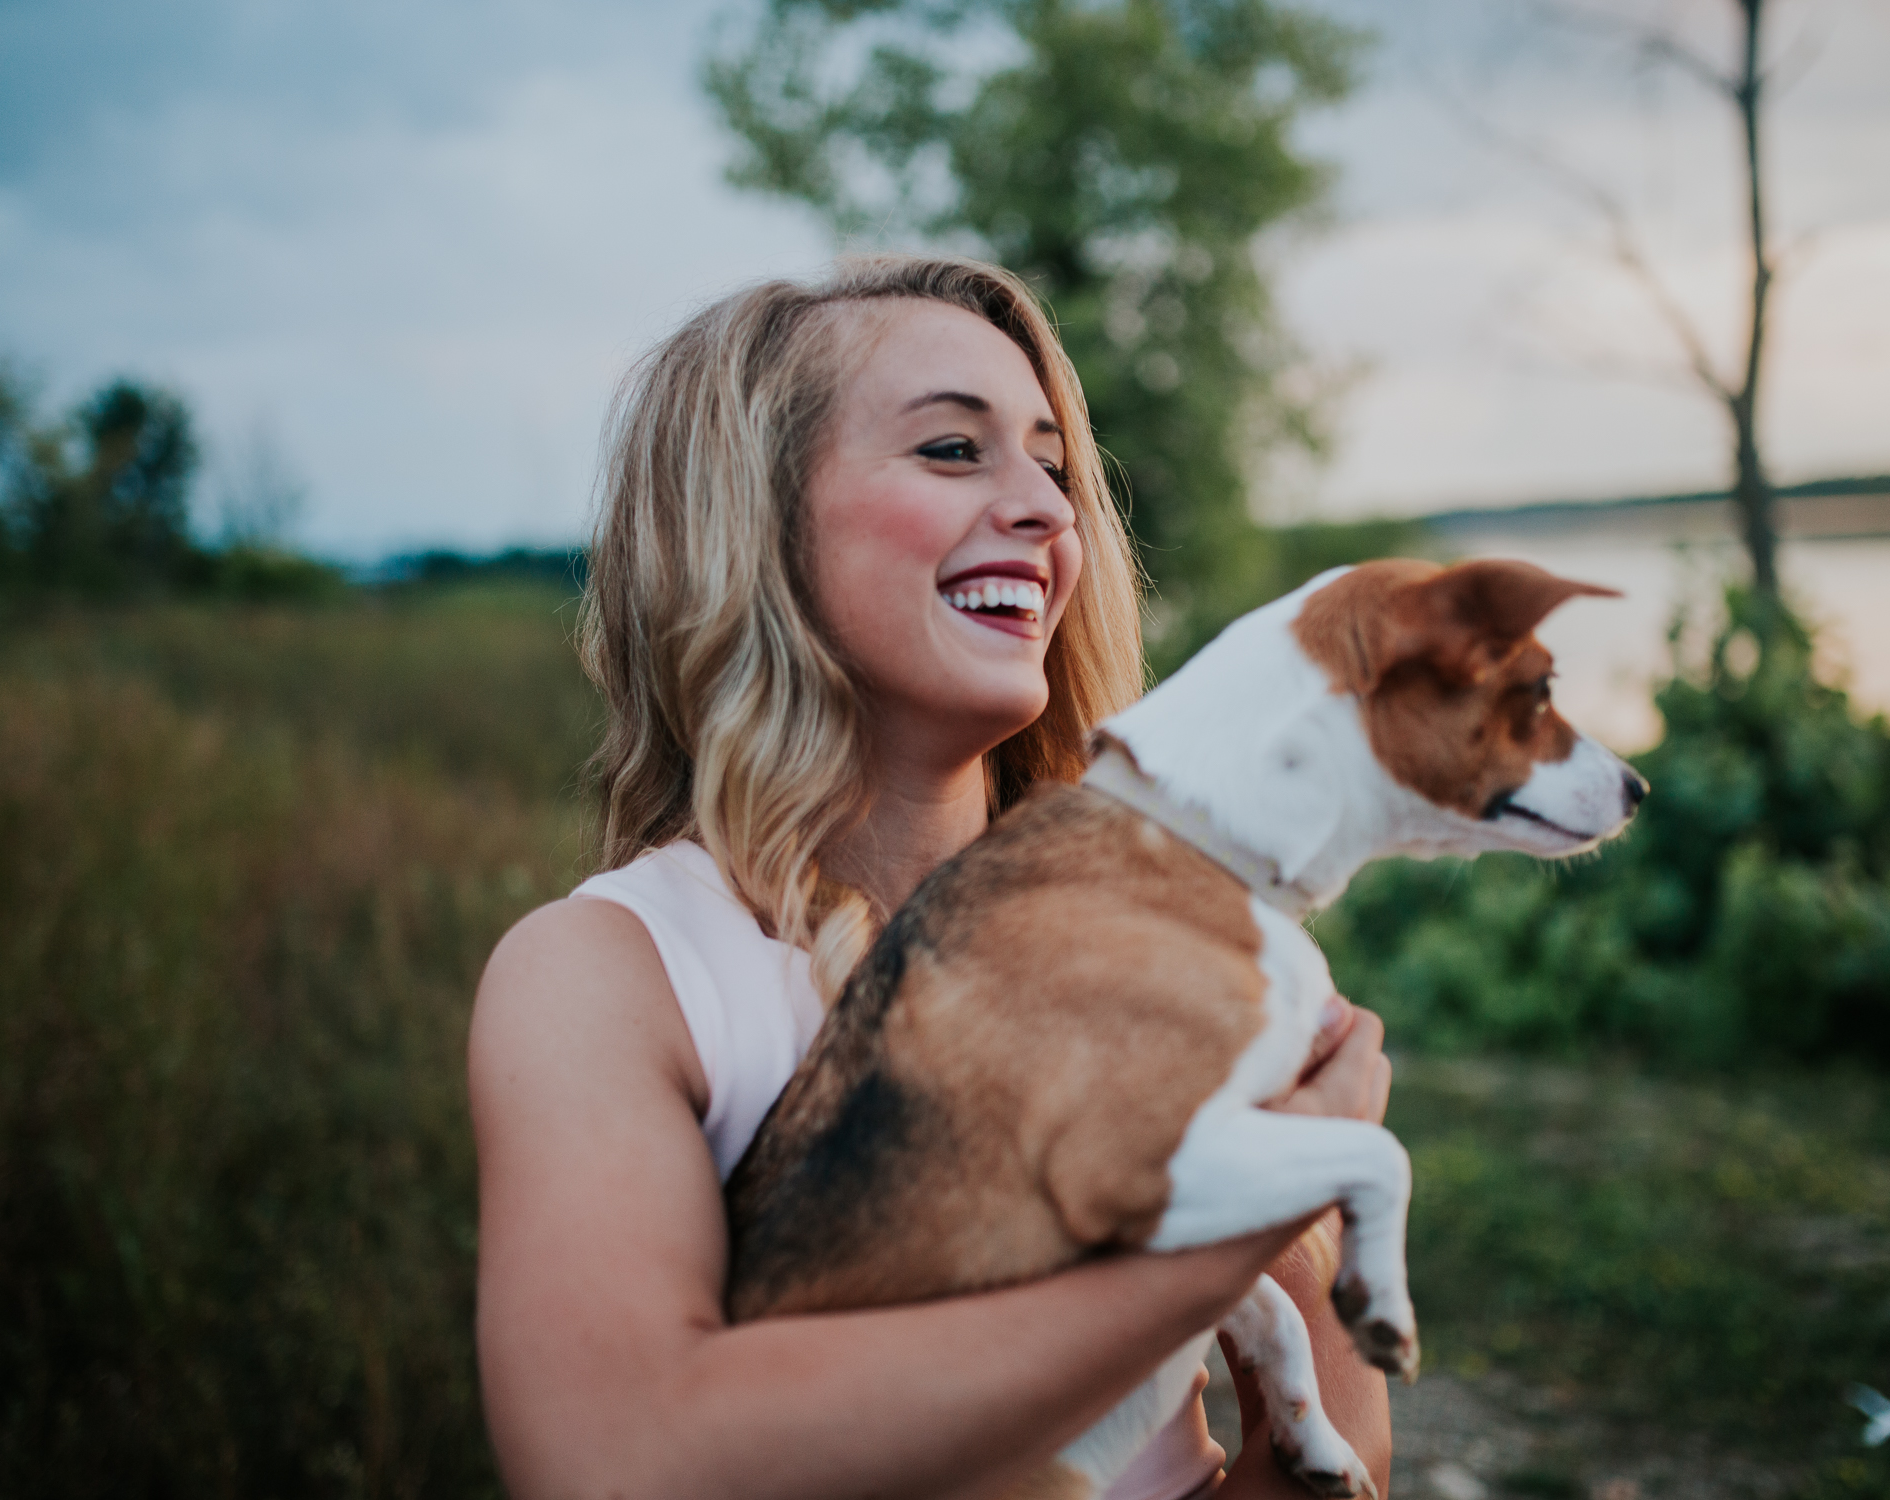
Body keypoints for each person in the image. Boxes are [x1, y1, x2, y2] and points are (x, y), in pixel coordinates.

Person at [469, 254, 1394, 1500]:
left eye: (1055, 468)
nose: (1047, 510)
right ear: (750, 525)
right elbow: (618, 1462)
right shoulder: (613, 979)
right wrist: (1213, 1249)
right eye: (954, 451)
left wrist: (1305, 1286)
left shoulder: (1190, 943)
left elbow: (1336, 1464)